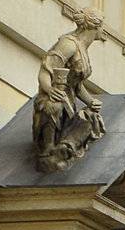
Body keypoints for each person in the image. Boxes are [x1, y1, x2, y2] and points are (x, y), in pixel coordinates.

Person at [32, 9, 106, 172]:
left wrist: (90, 102)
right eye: (102, 26)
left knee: (90, 118)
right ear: (94, 26)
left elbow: (77, 85)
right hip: (52, 100)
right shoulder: (68, 45)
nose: (103, 30)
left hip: (70, 103)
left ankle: (64, 149)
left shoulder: (82, 49)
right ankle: (48, 149)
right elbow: (45, 71)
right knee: (54, 105)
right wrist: (50, 90)